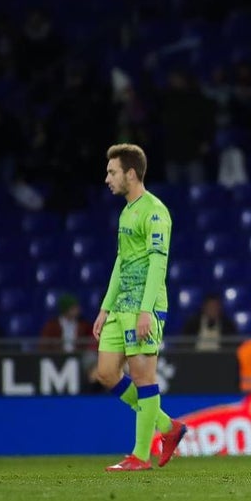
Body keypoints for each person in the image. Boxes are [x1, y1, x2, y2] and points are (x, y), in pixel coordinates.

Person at [92, 143, 187, 472]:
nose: (107, 179)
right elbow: (121, 261)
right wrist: (105, 308)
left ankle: (140, 456)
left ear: (130, 174)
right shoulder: (126, 211)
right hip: (121, 306)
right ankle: (168, 427)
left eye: (112, 172)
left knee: (143, 378)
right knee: (106, 372)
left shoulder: (155, 212)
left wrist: (147, 310)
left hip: (144, 307)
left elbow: (158, 264)